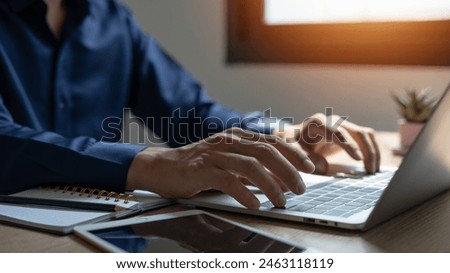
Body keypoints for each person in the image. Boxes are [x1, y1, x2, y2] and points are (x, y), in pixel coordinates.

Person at [0, 0, 380, 210]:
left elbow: (190, 113)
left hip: (110, 235)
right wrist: (151, 163)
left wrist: (283, 135)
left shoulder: (112, 18)